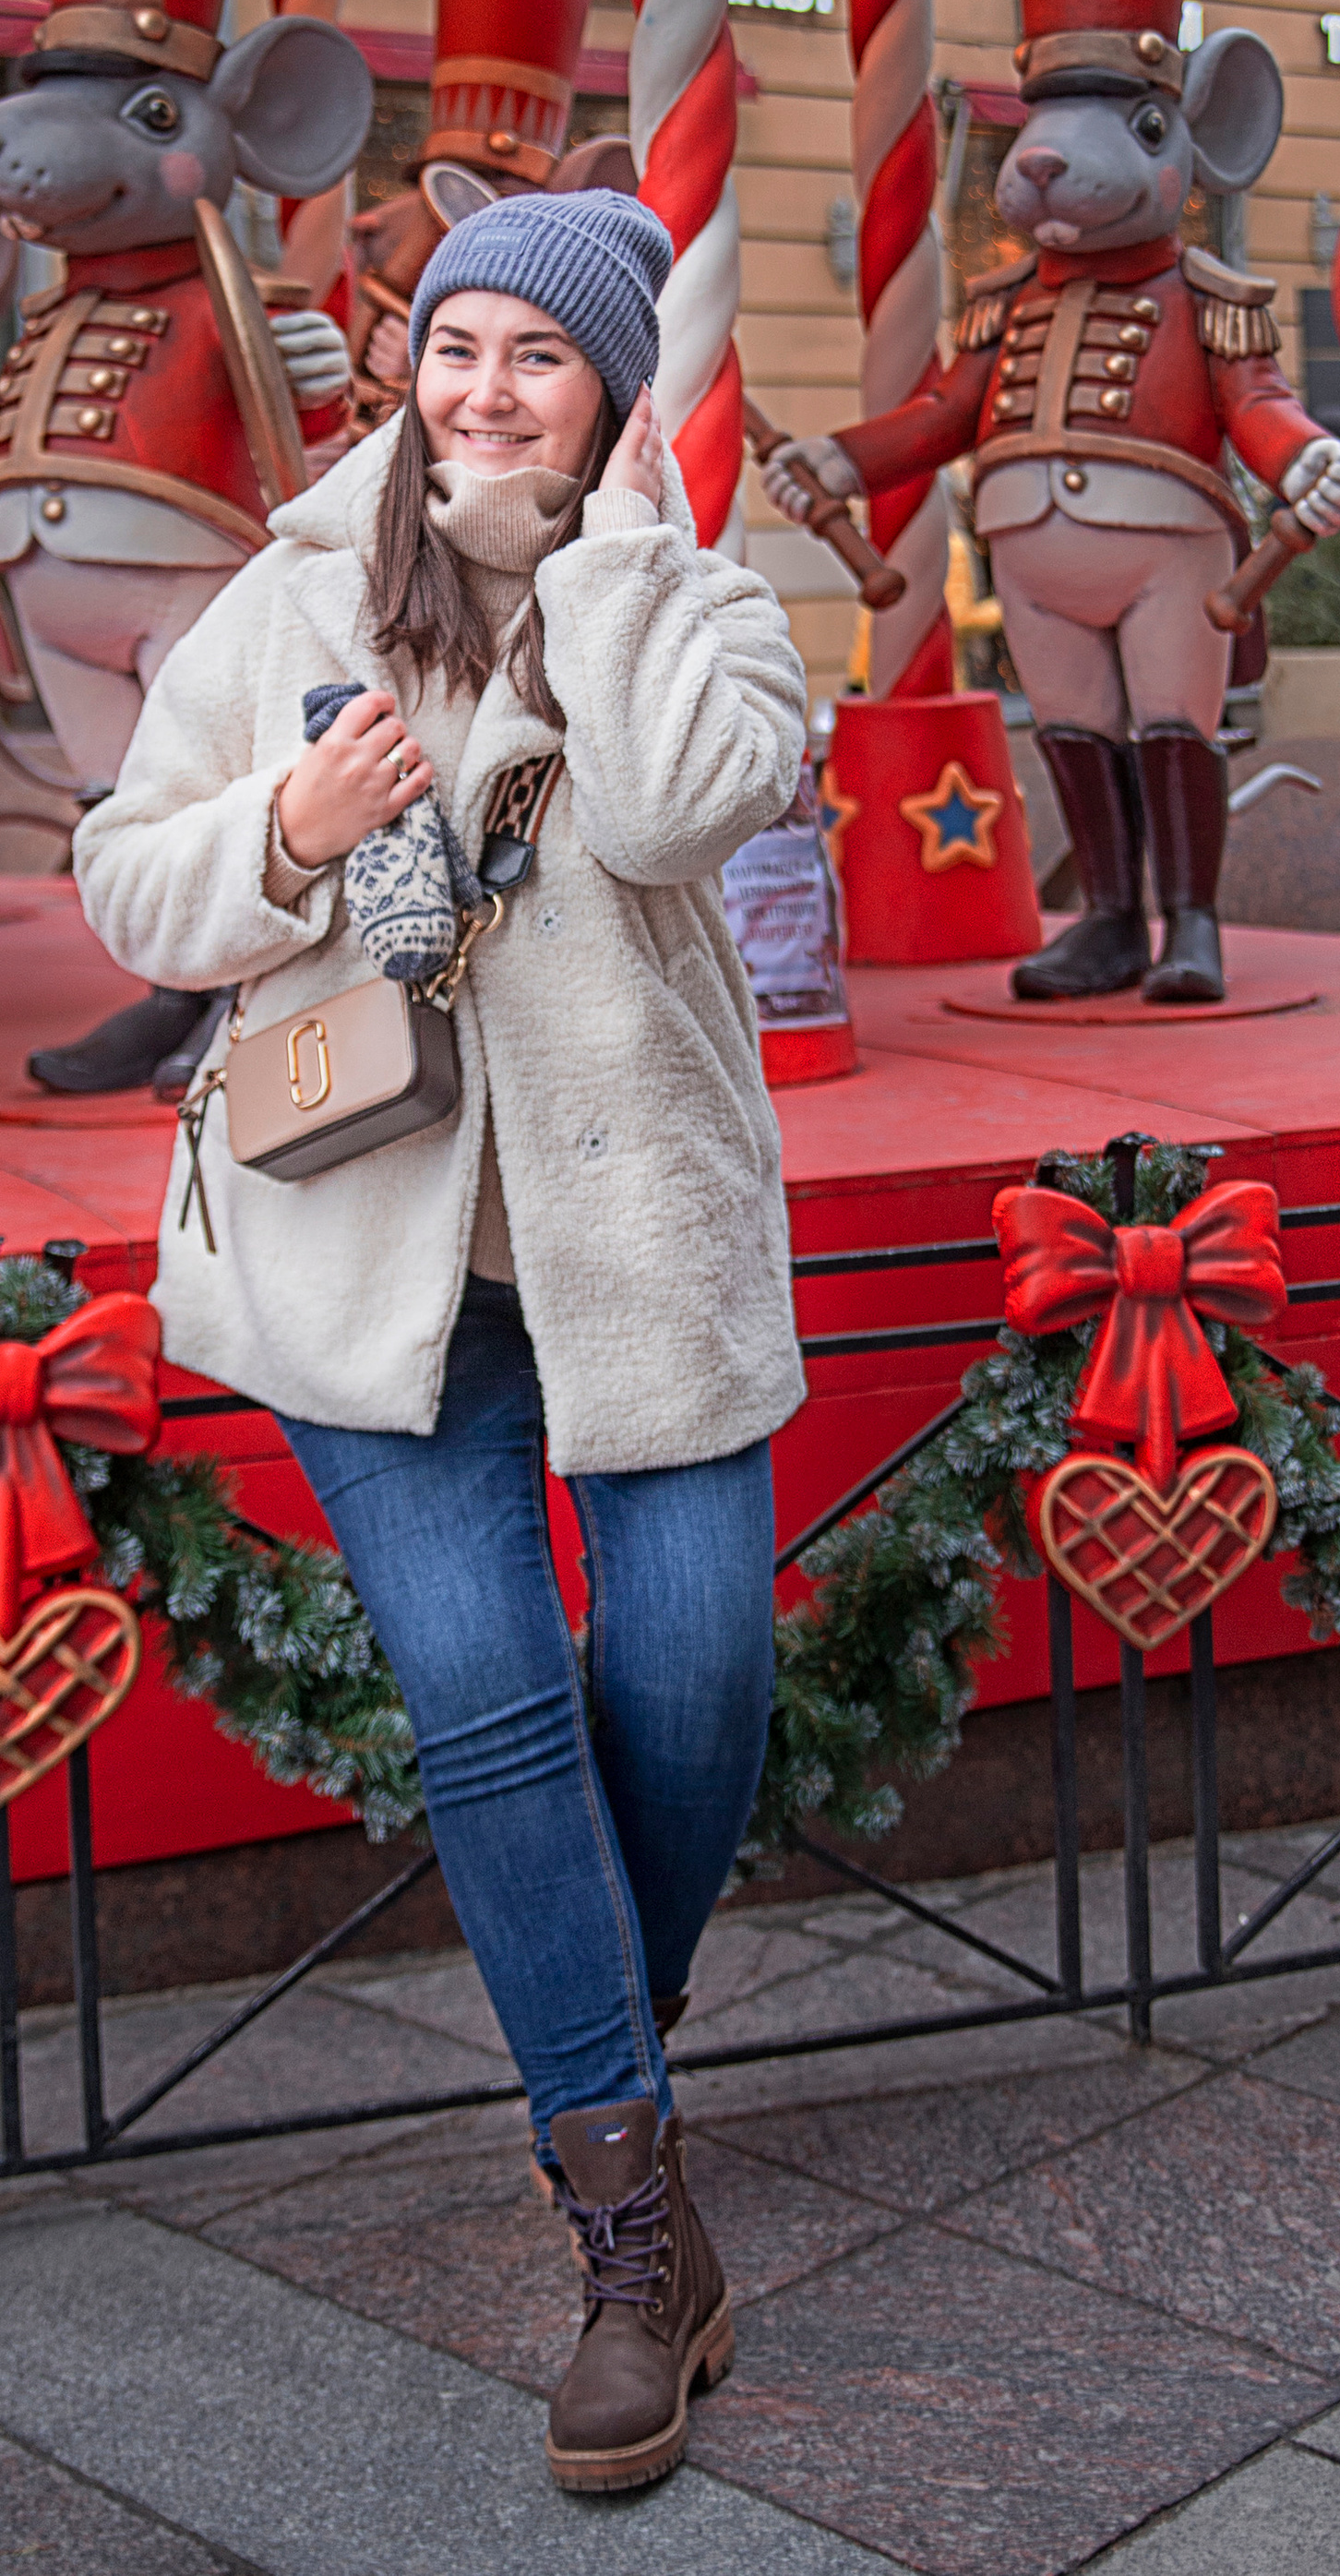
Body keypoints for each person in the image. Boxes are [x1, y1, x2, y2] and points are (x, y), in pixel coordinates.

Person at [77, 189, 808, 2496]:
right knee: (491, 1709)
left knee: (694, 1680)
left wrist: (584, 561)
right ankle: (627, 2231)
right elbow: (124, 877)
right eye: (452, 349)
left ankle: (609, 2037)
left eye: (538, 361)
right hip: (360, 1254)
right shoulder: (288, 595)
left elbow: (695, 808)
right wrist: (287, 829)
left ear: (611, 393)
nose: (480, 394)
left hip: (634, 1253)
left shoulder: (696, 600)